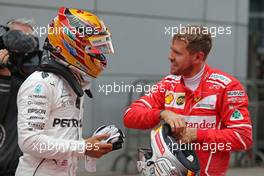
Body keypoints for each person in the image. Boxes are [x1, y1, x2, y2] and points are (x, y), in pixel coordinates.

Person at [123, 25, 253, 176]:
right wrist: (163, 114)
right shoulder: (168, 84)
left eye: (177, 53)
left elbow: (243, 137)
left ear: (198, 57)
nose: (170, 56)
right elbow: (129, 116)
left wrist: (197, 135)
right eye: (171, 50)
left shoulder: (227, 87)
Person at [15, 7, 118, 176]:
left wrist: (93, 144)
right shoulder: (39, 83)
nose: (100, 54)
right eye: (94, 48)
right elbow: (30, 141)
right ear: (71, 44)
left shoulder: (72, 82)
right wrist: (84, 147)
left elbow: (62, 139)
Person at [0, 18, 40, 176]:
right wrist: (3, 77)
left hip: (25, 165)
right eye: (17, 36)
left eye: (27, 38)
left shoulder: (35, 75)